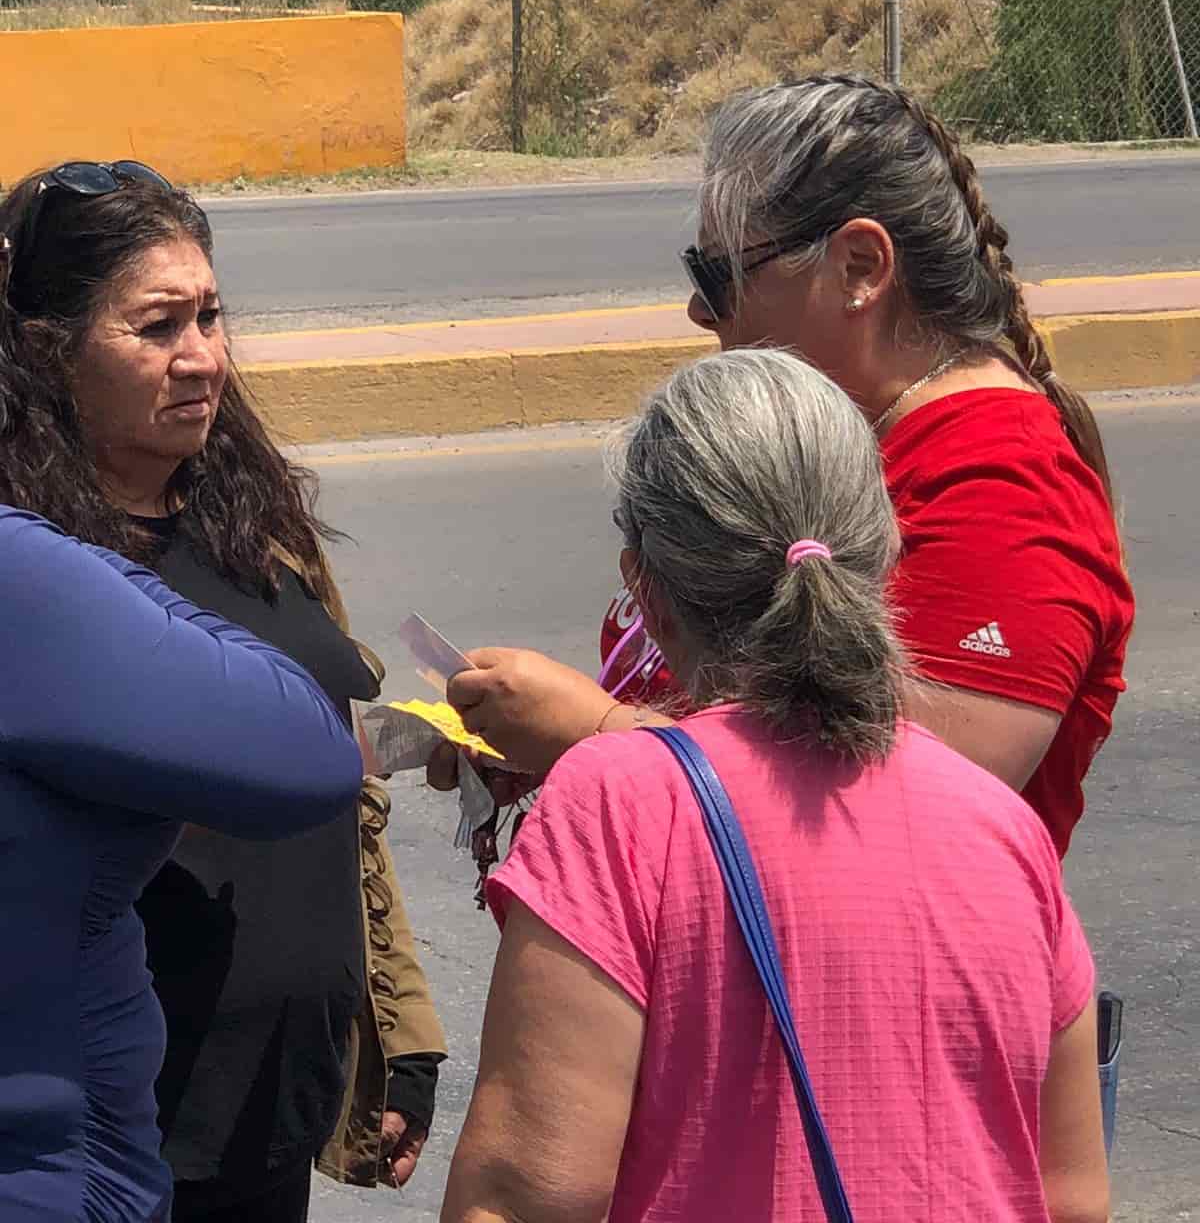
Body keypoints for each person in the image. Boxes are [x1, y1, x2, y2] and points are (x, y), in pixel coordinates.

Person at [442, 350, 1109, 1223]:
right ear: (882, 557)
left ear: (647, 587)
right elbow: (1071, 1198)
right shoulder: (1003, 828)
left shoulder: (619, 803)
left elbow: (523, 1194)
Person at [434, 75, 1134, 858]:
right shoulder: (834, 445)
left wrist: (592, 735)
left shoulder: (1003, 492)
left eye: (719, 274)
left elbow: (894, 811)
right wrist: (542, 737)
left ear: (860, 268)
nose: (701, 310)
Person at [0, 162, 446, 1223]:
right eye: (156, 327)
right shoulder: (45, 579)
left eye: (210, 315)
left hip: (276, 1095)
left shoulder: (254, 521)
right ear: (46, 347)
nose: (201, 358)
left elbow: (345, 780)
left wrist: (399, 1031)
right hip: (139, 1118)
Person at [0, 504, 364, 1222]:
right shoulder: (23, 571)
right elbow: (307, 748)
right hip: (54, 1173)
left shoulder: (255, 532)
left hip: (258, 1092)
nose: (199, 381)